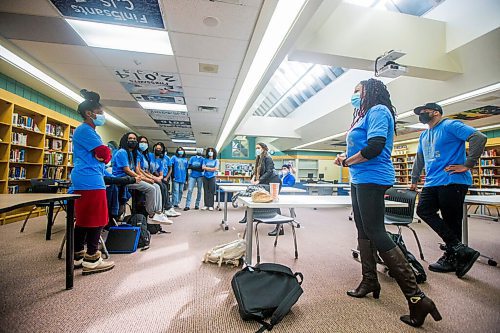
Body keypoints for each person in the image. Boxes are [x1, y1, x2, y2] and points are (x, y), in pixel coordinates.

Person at [335, 78, 441, 327]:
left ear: (370, 91)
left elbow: (375, 147)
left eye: (356, 90)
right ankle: (369, 280)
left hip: (373, 178)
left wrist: (349, 161)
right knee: (363, 230)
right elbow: (363, 148)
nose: (353, 95)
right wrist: (345, 158)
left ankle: (417, 298)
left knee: (376, 232)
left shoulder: (379, 111)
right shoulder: (361, 116)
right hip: (359, 178)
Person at [410, 102, 486, 277]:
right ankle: (459, 249)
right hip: (432, 182)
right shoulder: (424, 135)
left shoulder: (450, 125)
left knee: (452, 220)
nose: (421, 114)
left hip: (452, 180)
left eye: (424, 111)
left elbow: (479, 137)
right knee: (423, 210)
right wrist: (414, 180)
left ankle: (453, 257)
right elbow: (419, 158)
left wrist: (467, 165)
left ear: (436, 113)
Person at [70, 89, 114, 275]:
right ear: (89, 113)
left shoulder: (86, 131)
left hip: (86, 177)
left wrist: (102, 156)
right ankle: (92, 259)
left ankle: (78, 255)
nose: (102, 115)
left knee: (83, 219)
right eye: (100, 112)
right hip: (90, 179)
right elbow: (104, 154)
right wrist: (104, 155)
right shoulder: (86, 131)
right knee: (98, 219)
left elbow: (102, 155)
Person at [112, 132, 171, 225]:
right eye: (130, 138)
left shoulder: (132, 154)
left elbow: (136, 169)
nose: (133, 140)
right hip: (122, 179)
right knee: (151, 188)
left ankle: (158, 212)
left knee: (156, 186)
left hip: (131, 177)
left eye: (134, 139)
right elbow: (127, 170)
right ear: (125, 140)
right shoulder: (122, 152)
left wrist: (142, 178)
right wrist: (142, 178)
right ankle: (151, 215)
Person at [252, 142, 283, 236]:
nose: (257, 149)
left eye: (258, 147)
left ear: (263, 149)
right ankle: (249, 216)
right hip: (267, 182)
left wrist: (259, 180)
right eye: (256, 148)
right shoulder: (259, 159)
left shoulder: (268, 158)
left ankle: (279, 228)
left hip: (274, 181)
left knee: (274, 203)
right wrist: (253, 177)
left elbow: (269, 171)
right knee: (267, 201)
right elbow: (258, 171)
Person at [153, 142, 180, 217]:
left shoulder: (167, 158)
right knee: (163, 189)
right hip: (156, 177)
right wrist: (158, 177)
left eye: (160, 149)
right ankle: (165, 208)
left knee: (166, 190)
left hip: (165, 177)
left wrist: (166, 177)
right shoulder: (154, 157)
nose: (159, 150)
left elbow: (170, 168)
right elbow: (154, 169)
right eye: (157, 149)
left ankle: (168, 207)